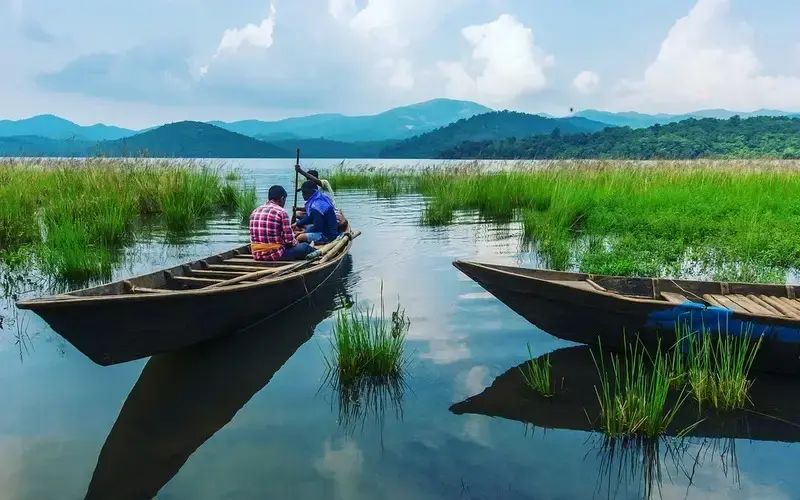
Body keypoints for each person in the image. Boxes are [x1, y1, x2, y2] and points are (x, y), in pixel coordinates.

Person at [249, 185, 320, 261]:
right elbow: (289, 241)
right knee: (305, 247)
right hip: (276, 254)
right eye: (285, 200)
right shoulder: (281, 212)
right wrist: (299, 244)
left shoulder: (255, 211)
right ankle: (312, 248)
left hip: (257, 255)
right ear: (282, 199)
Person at [294, 165, 348, 232]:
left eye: (310, 178)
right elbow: (312, 209)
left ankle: (307, 228)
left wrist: (300, 171)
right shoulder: (309, 189)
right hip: (316, 214)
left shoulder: (324, 184)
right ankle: (304, 228)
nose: (310, 181)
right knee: (297, 214)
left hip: (331, 212)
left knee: (342, 223)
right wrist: (297, 208)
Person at [293, 181, 339, 245]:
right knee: (297, 227)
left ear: (313, 192)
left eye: (305, 192)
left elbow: (317, 227)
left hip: (327, 235)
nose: (303, 195)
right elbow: (310, 217)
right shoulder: (319, 197)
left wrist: (303, 232)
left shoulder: (317, 206)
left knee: (300, 237)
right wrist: (297, 223)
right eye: (303, 193)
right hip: (323, 228)